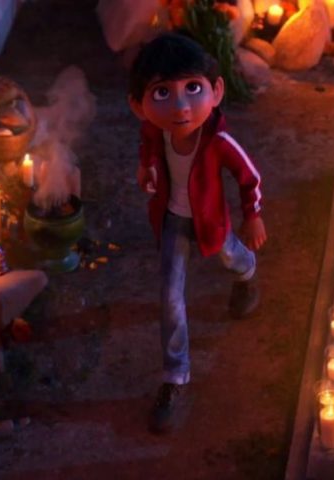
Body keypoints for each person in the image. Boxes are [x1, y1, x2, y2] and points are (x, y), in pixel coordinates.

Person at [128, 32, 267, 433]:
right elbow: (147, 146)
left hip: (212, 222)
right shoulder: (155, 132)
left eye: (193, 88)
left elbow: (249, 176)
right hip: (173, 221)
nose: (181, 106)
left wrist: (253, 215)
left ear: (216, 91)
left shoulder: (219, 142)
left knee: (232, 256)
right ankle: (175, 377)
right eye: (162, 93)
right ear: (138, 105)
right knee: (170, 295)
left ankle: (247, 274)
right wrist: (146, 168)